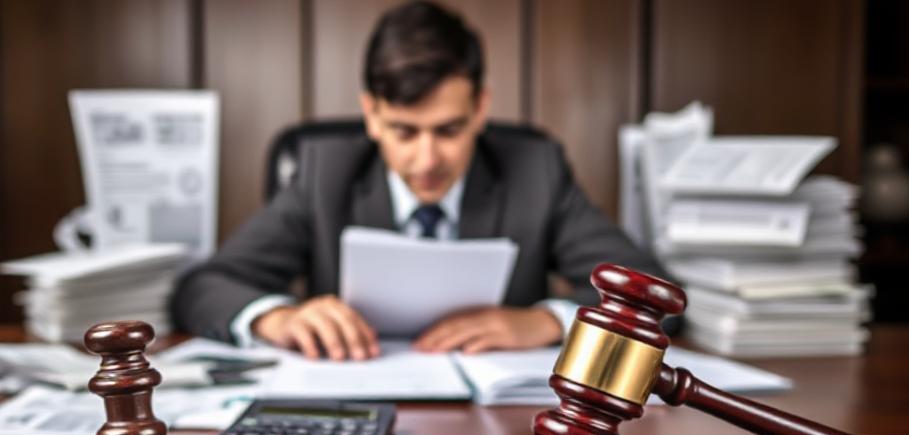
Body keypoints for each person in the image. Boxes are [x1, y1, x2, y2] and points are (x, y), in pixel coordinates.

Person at [171, 0, 672, 360]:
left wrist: (545, 322)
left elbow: (657, 295)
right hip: (358, 409)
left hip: (502, 429)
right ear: (371, 113)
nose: (426, 159)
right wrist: (275, 317)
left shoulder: (534, 170)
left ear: (481, 107)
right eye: (403, 131)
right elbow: (202, 287)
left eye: (449, 130)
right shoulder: (324, 173)